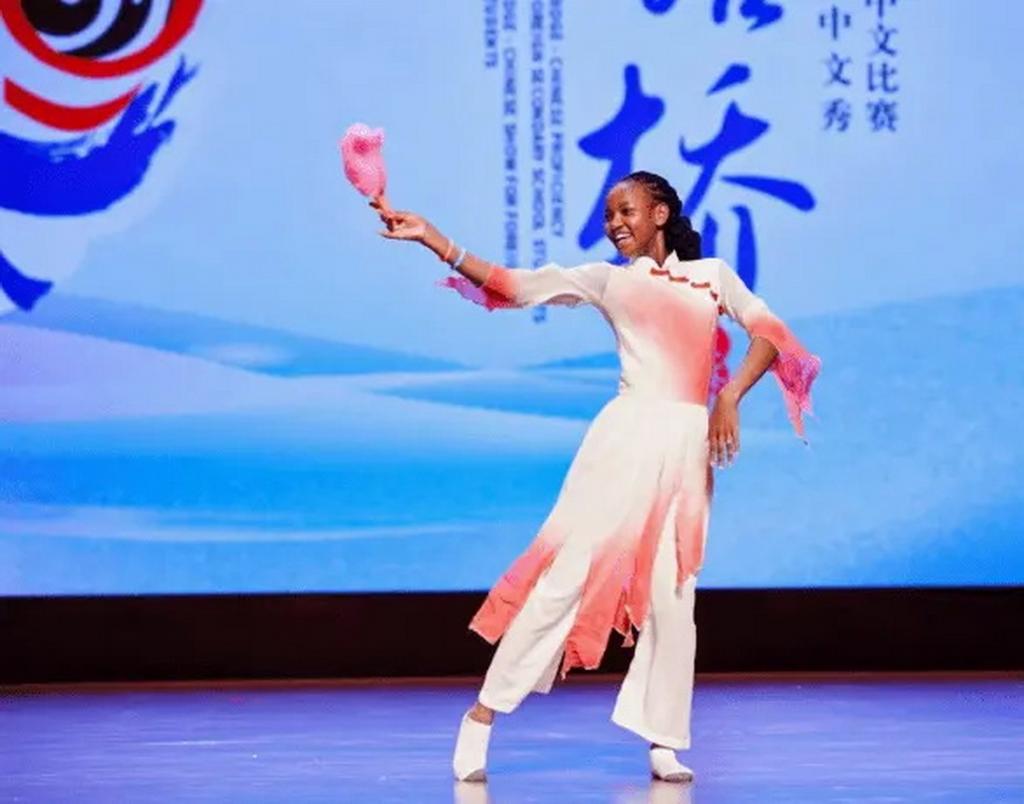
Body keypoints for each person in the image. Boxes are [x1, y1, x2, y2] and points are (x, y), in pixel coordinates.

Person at [370, 171, 820, 783]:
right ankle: (482, 715)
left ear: (660, 214)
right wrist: (434, 239)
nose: (614, 224)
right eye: (609, 215)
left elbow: (769, 333)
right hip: (625, 441)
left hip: (686, 449)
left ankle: (663, 738)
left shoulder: (712, 276)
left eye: (626, 211)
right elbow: (512, 285)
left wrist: (729, 395)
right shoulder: (609, 280)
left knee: (673, 597)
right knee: (567, 578)